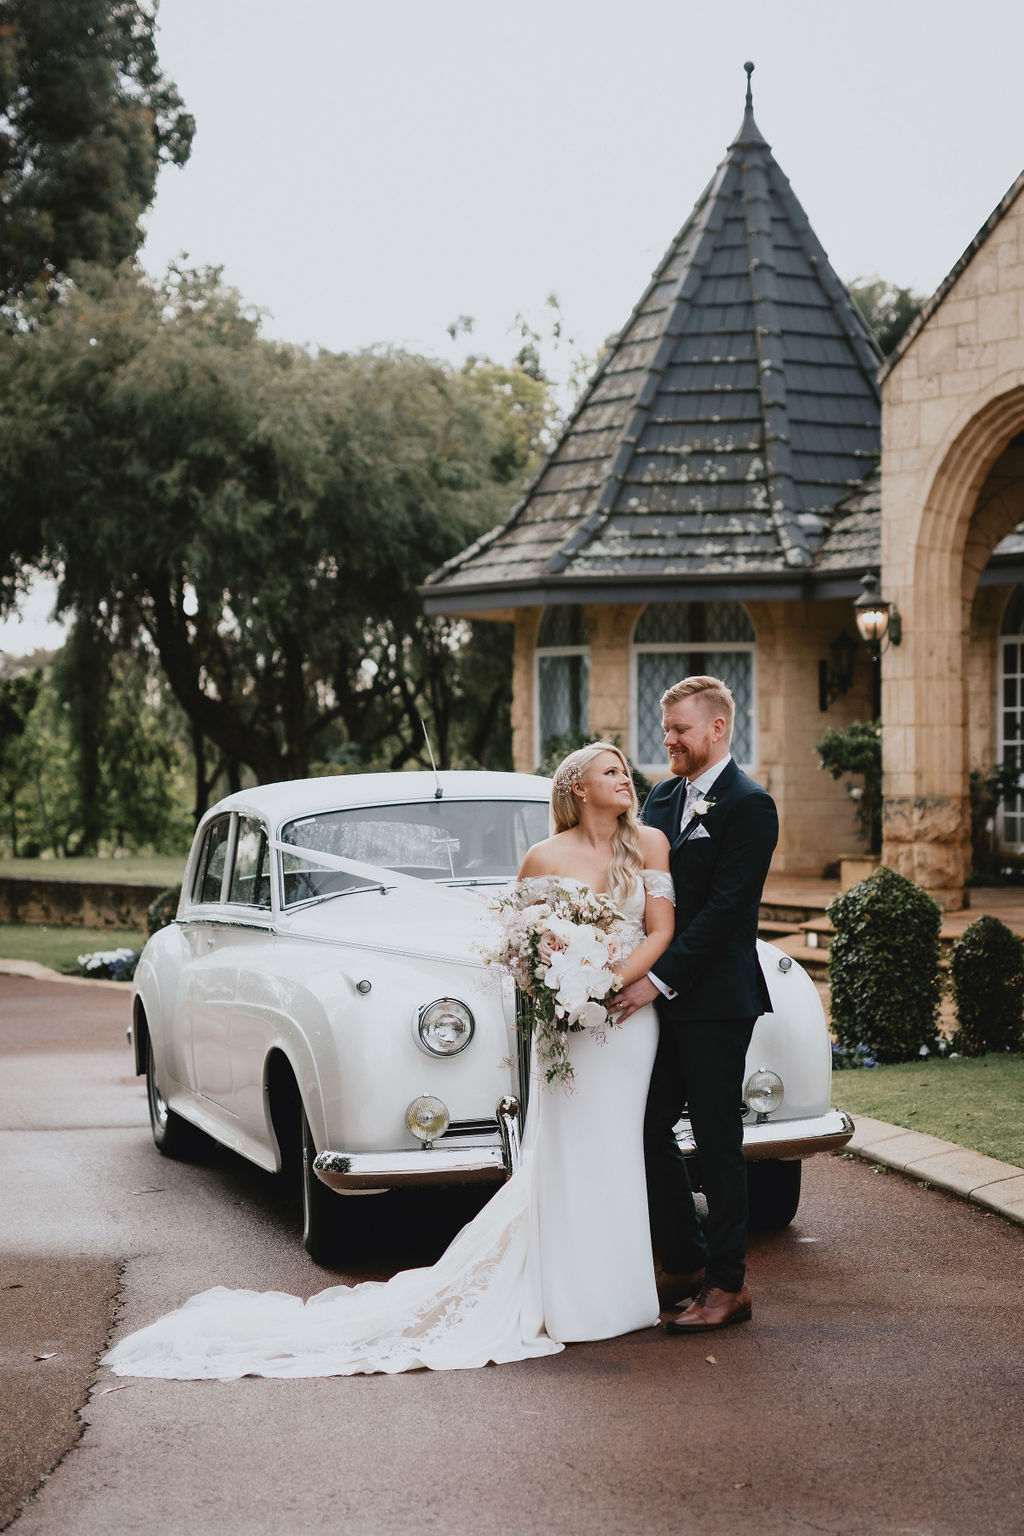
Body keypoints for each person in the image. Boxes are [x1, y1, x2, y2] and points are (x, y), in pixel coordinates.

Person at [102, 743, 675, 1380]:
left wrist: (607, 980)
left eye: (626, 771)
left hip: (624, 1018)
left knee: (620, 1150)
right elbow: (520, 940)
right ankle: (572, 1294)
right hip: (568, 1021)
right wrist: (567, 983)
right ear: (576, 790)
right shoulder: (544, 857)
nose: (626, 778)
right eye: (611, 771)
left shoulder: (647, 844)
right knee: (567, 1154)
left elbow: (660, 928)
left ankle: (620, 1292)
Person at [610, 676, 779, 1334]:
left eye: (680, 728)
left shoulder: (750, 805)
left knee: (715, 1140)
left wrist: (655, 980)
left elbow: (723, 916)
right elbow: (640, 889)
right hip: (664, 1001)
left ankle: (728, 1285)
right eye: (666, 727)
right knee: (645, 1126)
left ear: (716, 729)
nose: (668, 739)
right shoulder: (660, 796)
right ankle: (682, 1259)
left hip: (715, 1001)